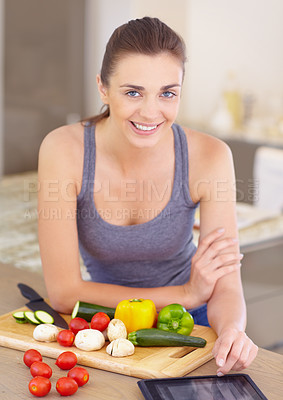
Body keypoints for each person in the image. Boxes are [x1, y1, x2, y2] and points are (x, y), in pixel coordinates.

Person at [37, 16, 258, 376]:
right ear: (103, 88)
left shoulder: (210, 157)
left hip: (187, 327)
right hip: (102, 330)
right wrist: (187, 292)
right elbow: (64, 293)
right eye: (133, 92)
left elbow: (224, 285)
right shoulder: (65, 150)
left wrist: (232, 329)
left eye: (167, 93)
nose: (151, 112)